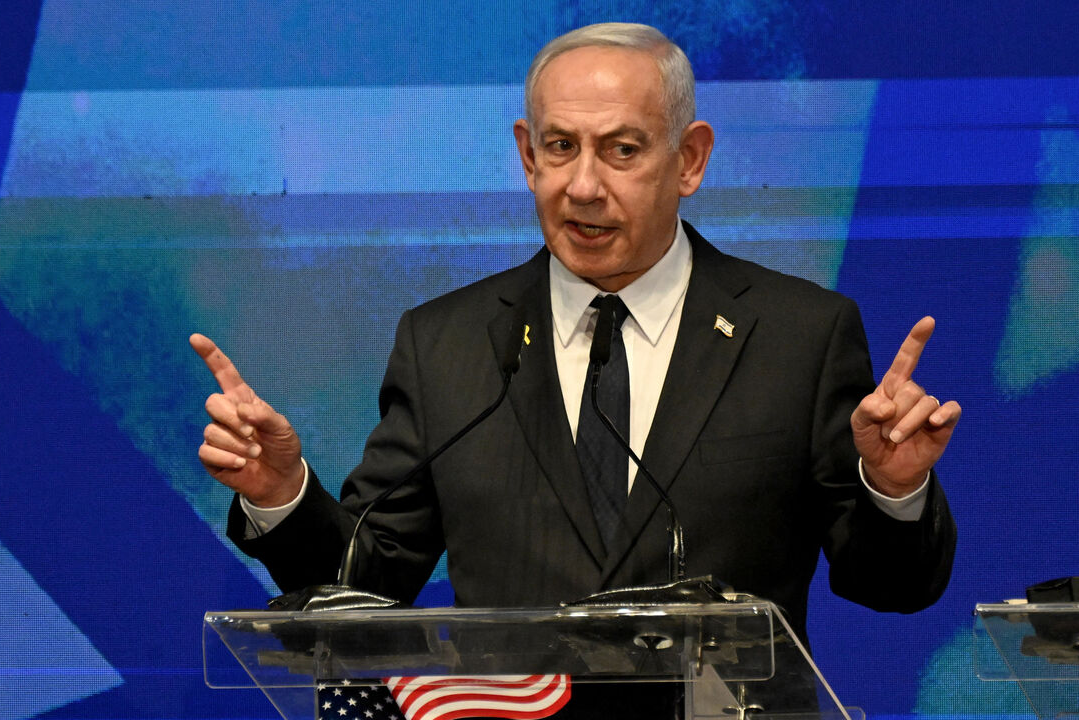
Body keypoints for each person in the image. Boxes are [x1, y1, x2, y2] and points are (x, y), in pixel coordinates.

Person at [192, 22, 959, 716]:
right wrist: (282, 496)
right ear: (528, 154)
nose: (583, 185)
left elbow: (891, 586)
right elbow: (369, 583)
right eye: (560, 148)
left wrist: (893, 490)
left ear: (689, 159)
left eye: (622, 150)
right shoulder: (447, 344)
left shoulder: (799, 335)